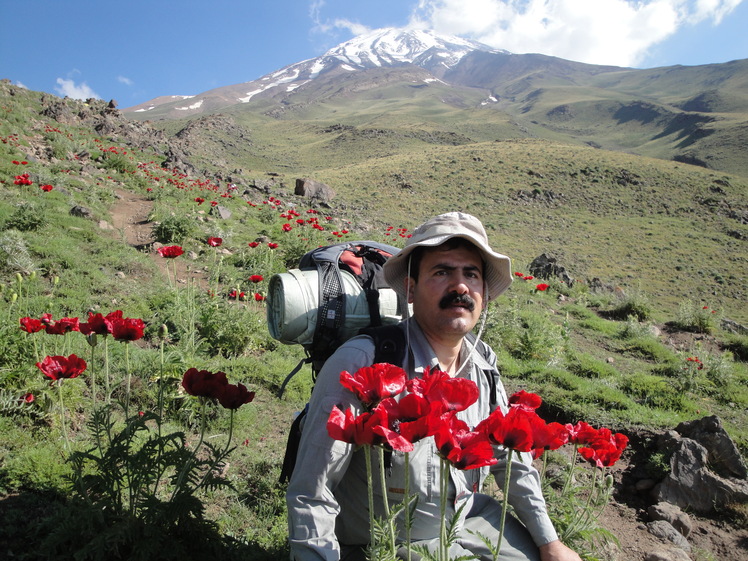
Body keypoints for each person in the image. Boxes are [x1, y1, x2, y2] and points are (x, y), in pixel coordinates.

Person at [286, 212, 581, 561]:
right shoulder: (363, 364)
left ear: (484, 293)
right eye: (442, 272)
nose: (460, 287)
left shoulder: (484, 366)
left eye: (471, 274)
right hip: (383, 544)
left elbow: (510, 460)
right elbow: (311, 490)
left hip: (465, 524)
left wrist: (551, 543)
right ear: (410, 289)